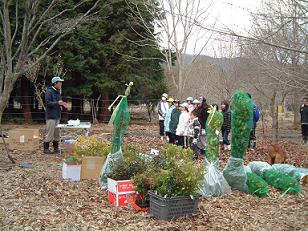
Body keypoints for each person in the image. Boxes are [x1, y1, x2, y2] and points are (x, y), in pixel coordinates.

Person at [44, 76, 67, 154]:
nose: (61, 84)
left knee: (57, 133)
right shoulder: (49, 91)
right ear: (55, 83)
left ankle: (56, 148)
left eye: (61, 82)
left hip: (57, 115)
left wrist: (62, 104)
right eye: (59, 82)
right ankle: (46, 149)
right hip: (50, 116)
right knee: (50, 133)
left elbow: (59, 102)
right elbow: (48, 103)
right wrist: (58, 103)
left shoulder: (58, 92)